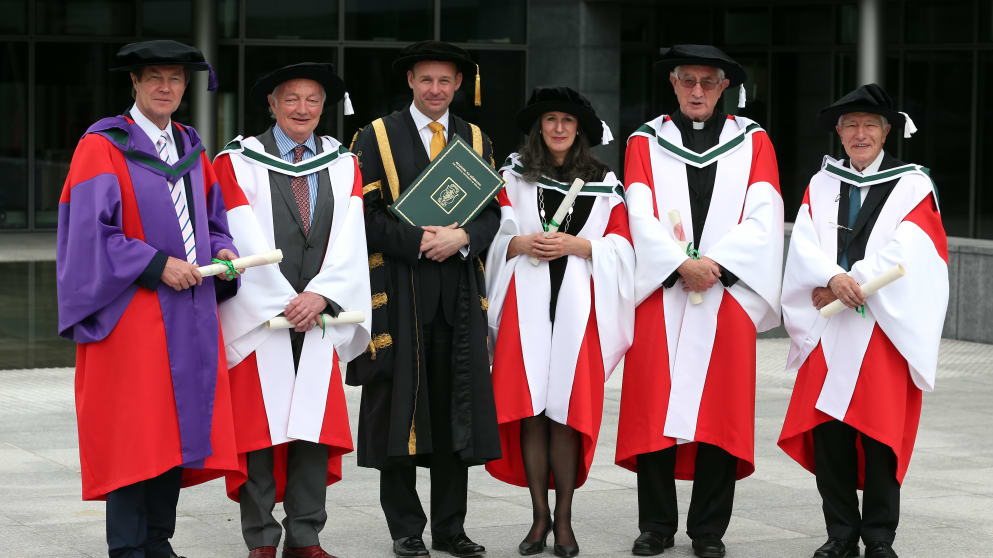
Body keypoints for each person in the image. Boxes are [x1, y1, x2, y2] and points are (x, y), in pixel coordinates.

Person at [55, 39, 241, 558]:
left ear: (187, 87)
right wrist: (157, 264)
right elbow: (89, 234)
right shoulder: (103, 145)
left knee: (175, 432)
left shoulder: (189, 146)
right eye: (154, 77)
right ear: (133, 84)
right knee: (135, 433)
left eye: (176, 79)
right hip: (131, 315)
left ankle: (159, 542)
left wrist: (223, 250)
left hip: (188, 315)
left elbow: (211, 221)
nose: (166, 87)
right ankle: (128, 547)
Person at [615, 44, 784, 558]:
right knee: (652, 412)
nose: (696, 91)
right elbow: (636, 213)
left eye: (707, 83)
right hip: (662, 295)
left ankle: (708, 530)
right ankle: (656, 526)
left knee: (720, 415)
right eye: (687, 80)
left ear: (724, 88)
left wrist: (715, 266)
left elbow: (765, 213)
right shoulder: (646, 141)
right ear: (672, 84)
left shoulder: (752, 141)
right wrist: (679, 265)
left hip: (725, 295)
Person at [777, 84, 947, 558]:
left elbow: (913, 247)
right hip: (831, 326)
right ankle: (839, 534)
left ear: (887, 130)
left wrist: (852, 282)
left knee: (878, 436)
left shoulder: (913, 184)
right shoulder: (821, 182)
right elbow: (805, 243)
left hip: (881, 327)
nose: (860, 133)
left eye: (870, 124)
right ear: (838, 130)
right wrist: (832, 278)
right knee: (830, 435)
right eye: (850, 124)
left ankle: (878, 536)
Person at [348, 40, 501, 558]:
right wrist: (417, 241)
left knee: (456, 408)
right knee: (399, 411)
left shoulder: (474, 137)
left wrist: (463, 238)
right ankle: (406, 529)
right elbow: (361, 217)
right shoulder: (375, 137)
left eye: (446, 81)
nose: (436, 90)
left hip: (458, 296)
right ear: (410, 81)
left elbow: (491, 212)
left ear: (459, 84)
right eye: (426, 80)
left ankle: (451, 529)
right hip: (400, 293)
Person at [212, 63, 372, 558]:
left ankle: (306, 534)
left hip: (321, 313)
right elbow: (237, 233)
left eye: (313, 101)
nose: (303, 109)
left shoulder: (344, 163)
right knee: (260, 429)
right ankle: (260, 537)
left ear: (325, 108)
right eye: (291, 99)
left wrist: (322, 294)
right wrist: (283, 299)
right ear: (272, 104)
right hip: (262, 314)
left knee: (311, 425)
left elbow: (351, 238)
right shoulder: (238, 160)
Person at [483, 87, 635, 558]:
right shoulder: (512, 176)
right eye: (550, 119)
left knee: (566, 415)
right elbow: (492, 235)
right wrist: (518, 245)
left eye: (568, 121)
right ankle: (538, 517)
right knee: (531, 412)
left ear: (581, 130)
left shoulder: (605, 183)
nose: (559, 128)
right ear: (539, 126)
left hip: (578, 309)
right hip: (524, 305)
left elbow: (625, 249)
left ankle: (564, 521)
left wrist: (580, 247)